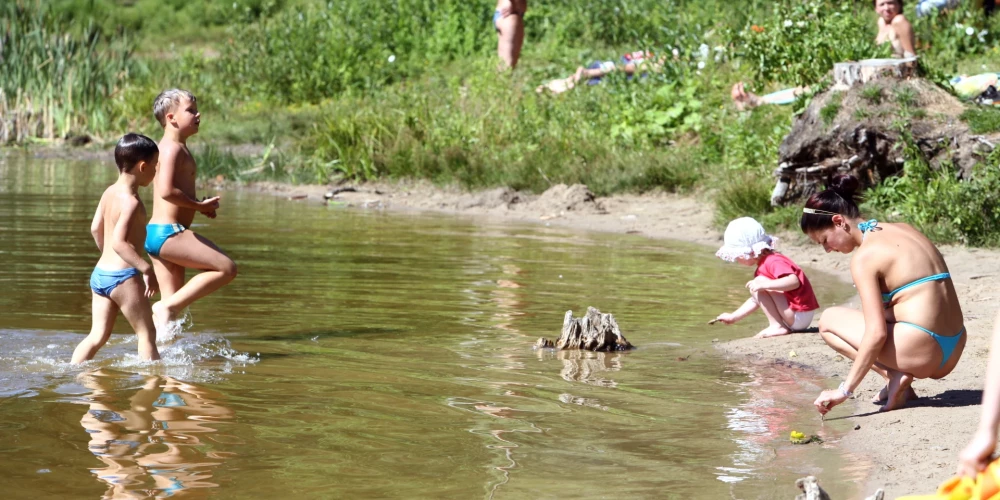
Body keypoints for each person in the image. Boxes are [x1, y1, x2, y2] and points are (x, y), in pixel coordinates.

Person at [802, 175, 965, 413]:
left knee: (828, 321)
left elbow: (876, 334)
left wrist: (844, 390)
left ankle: (894, 377)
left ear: (839, 221)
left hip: (923, 350)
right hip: (955, 346)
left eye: (824, 241)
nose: (827, 250)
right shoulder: (904, 229)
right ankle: (899, 381)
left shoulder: (865, 257)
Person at [147, 89, 237, 331]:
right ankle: (162, 310)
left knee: (172, 317)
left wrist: (199, 206)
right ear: (171, 118)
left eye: (196, 110)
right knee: (227, 268)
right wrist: (197, 205)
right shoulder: (171, 148)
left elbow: (173, 192)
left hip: (161, 233)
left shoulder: (176, 147)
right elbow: (166, 191)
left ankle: (159, 364)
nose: (198, 115)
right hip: (169, 233)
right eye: (191, 111)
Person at [71, 134, 161, 364]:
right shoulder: (131, 202)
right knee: (147, 333)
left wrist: (107, 257)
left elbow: (94, 228)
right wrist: (147, 269)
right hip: (123, 277)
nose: (156, 171)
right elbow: (119, 243)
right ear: (142, 166)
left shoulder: (109, 192)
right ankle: (150, 388)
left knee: (97, 336)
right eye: (155, 166)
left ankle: (71, 373)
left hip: (100, 274)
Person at [731, 0, 916, 109]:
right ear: (875, 8)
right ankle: (761, 101)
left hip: (889, 75)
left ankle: (760, 101)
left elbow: (910, 55)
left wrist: (911, 78)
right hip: (871, 73)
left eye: (891, 2)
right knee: (815, 87)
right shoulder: (881, 23)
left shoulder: (900, 21)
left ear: (899, 4)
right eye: (882, 4)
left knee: (819, 88)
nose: (886, 8)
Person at [714, 217, 820, 338]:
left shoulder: (773, 261)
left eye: (737, 256)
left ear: (749, 253)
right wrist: (733, 317)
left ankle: (777, 326)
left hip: (799, 314)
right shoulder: (764, 265)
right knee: (758, 284)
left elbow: (794, 281)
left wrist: (764, 284)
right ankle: (777, 325)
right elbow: (757, 299)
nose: (736, 260)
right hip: (796, 315)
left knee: (759, 282)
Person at [536, 51, 662, 95]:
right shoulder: (664, 55)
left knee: (607, 71)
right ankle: (576, 79)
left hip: (618, 68)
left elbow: (641, 68)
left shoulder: (662, 64)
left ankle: (584, 76)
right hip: (620, 64)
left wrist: (595, 72)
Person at [495, 0, 527, 70]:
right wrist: (513, 4)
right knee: (506, 69)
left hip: (509, 13)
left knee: (504, 67)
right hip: (510, 14)